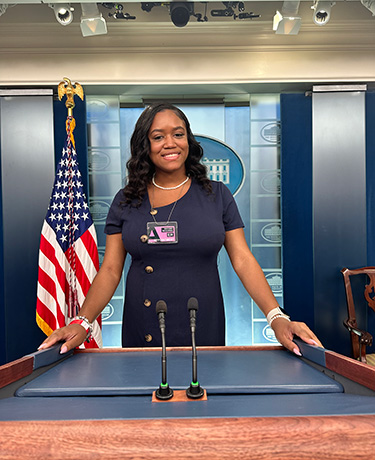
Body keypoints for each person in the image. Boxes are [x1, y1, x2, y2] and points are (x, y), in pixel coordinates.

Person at [39, 102, 322, 355]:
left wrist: (276, 317)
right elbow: (111, 269)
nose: (170, 143)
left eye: (178, 134)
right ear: (144, 146)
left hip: (202, 323)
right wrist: (83, 321)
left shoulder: (217, 194)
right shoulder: (126, 200)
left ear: (188, 140)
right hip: (144, 324)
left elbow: (243, 259)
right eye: (158, 137)